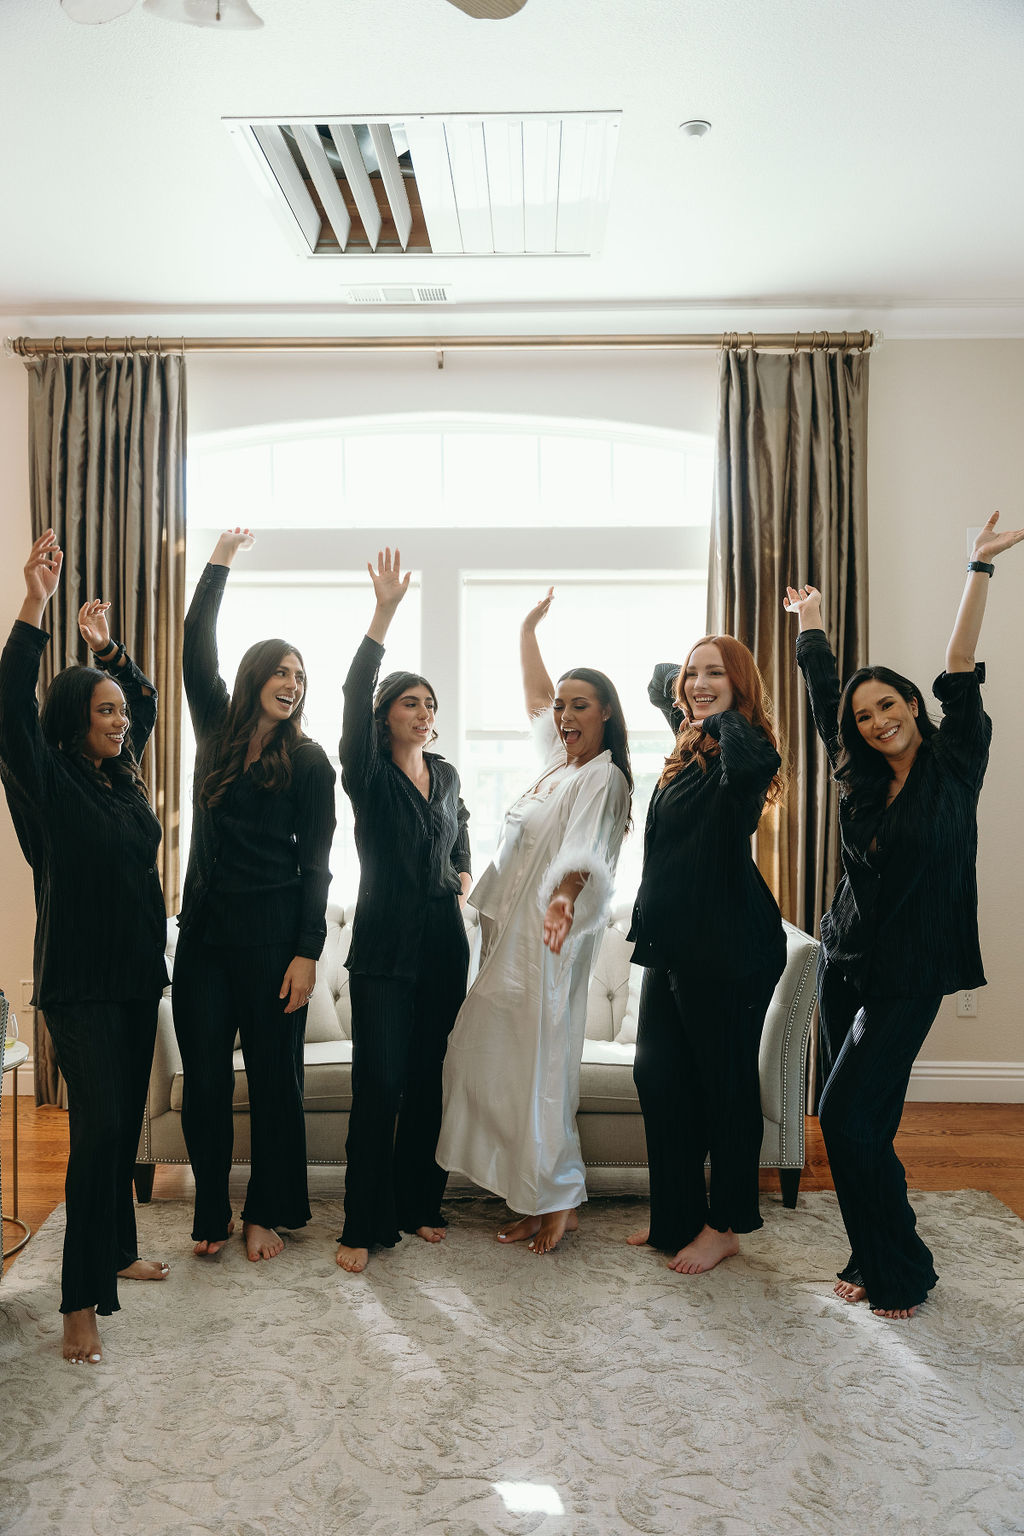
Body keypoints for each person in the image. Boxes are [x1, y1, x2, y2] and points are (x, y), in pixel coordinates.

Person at [785, 510, 1023, 1319]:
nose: (877, 719)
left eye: (888, 704)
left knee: (848, 1119)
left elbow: (961, 661)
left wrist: (978, 567)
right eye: (864, 715)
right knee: (857, 1121)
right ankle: (875, 1247)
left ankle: (902, 1269)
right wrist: (810, 624)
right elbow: (823, 694)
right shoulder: (854, 775)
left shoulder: (959, 758)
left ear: (914, 703)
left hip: (915, 971)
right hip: (845, 960)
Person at [0, 530, 170, 1364]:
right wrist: (33, 605)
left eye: (119, 712)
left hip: (137, 977)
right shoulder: (49, 779)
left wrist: (108, 650)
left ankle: (120, 1249)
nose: (119, 720)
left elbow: (142, 699)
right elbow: (7, 707)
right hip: (79, 984)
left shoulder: (118, 776)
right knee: (98, 1131)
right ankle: (77, 1303)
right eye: (102, 710)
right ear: (74, 719)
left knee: (120, 1124)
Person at [437, 587, 632, 1255]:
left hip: (548, 944)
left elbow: (583, 851)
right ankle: (531, 1193)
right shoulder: (558, 760)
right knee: (490, 1060)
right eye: (563, 707)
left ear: (607, 713)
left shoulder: (602, 778)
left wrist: (560, 902)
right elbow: (535, 695)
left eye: (582, 705)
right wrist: (526, 629)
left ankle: (558, 1199)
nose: (566, 714)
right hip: (506, 938)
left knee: (542, 1071)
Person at [174, 528, 336, 1263]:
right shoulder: (213, 729)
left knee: (276, 1086)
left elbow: (318, 868)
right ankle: (210, 1206)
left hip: (273, 942)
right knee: (205, 1082)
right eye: (280, 669)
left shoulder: (309, 762)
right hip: (204, 939)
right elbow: (194, 644)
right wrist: (219, 562)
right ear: (253, 678)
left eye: (300, 673)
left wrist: (308, 952)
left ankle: (266, 1210)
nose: (292, 681)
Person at [626, 636, 786, 1275]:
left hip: (727, 944)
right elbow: (659, 677)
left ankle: (725, 1226)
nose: (695, 683)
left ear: (740, 686)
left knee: (723, 1088)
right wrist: (694, 681)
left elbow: (752, 756)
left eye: (715, 674)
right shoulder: (693, 742)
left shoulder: (746, 749)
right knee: (659, 1079)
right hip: (672, 941)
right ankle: (676, 1216)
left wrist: (721, 701)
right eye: (693, 675)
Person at [336, 547, 472, 1274]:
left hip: (445, 948)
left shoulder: (445, 775)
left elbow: (462, 822)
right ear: (386, 714)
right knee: (379, 1086)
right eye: (409, 702)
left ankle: (421, 1202)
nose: (422, 713)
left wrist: (462, 867)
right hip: (384, 951)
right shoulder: (366, 772)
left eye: (429, 705)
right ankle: (362, 1224)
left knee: (428, 1083)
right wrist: (384, 612)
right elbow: (353, 691)